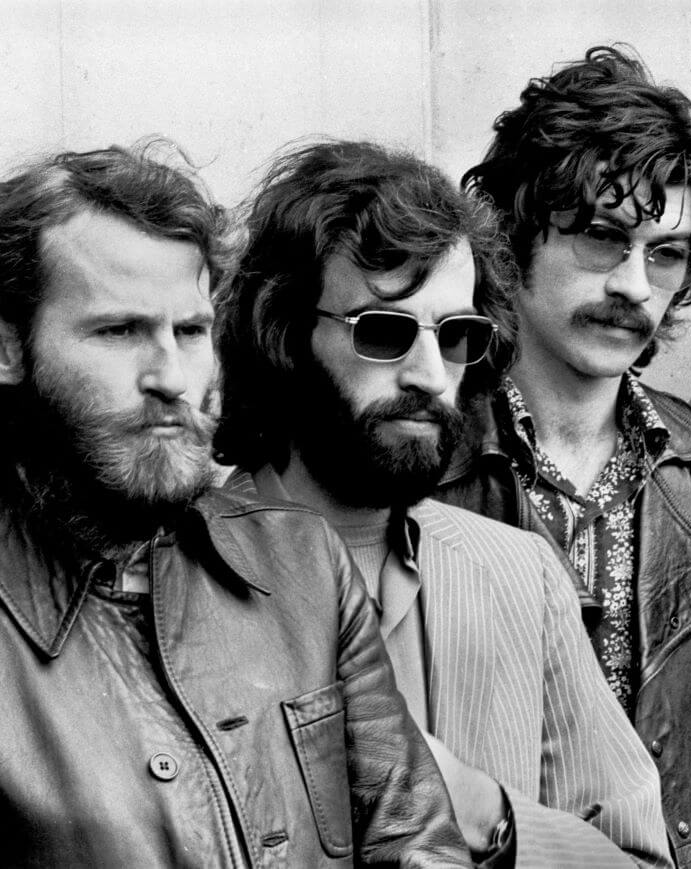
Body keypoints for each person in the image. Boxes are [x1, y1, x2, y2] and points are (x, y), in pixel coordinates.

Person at [435, 46, 691, 867]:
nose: (636, 284)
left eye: (666, 253)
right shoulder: (428, 462)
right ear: (513, 235)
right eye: (602, 237)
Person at [0, 142, 471, 866]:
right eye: (120, 330)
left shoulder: (303, 563)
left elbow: (420, 845)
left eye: (189, 332)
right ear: (8, 349)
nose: (171, 377)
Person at [214, 139, 672, 867]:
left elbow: (640, 858)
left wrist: (486, 809)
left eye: (457, 336)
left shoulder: (519, 574)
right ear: (286, 332)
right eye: (385, 331)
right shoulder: (170, 575)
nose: (430, 374)